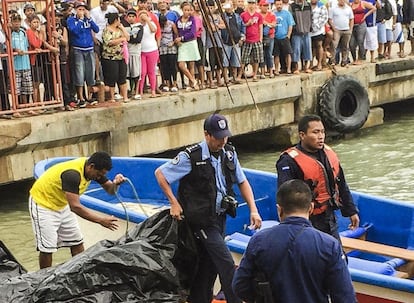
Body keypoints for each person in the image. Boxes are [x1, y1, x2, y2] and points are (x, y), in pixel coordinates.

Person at [155, 113, 262, 303]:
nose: (222, 141)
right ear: (207, 135)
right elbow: (161, 174)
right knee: (226, 262)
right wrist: (174, 202)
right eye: (218, 137)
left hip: (220, 218)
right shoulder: (191, 156)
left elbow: (242, 181)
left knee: (208, 266)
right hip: (201, 220)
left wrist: (253, 209)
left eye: (225, 136)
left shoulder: (229, 153)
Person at [232, 179, 357, 303]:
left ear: (279, 209)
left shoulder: (259, 241)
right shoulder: (330, 245)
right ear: (311, 208)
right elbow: (345, 297)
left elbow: (240, 286)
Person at [29, 151, 125, 269]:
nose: (99, 177)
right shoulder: (72, 174)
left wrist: (116, 183)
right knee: (48, 248)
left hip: (62, 204)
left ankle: (79, 271)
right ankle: (42, 278)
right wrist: (101, 220)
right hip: (44, 205)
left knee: (77, 241)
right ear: (91, 166)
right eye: (99, 174)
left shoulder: (92, 170)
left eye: (102, 175)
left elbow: (110, 190)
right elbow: (75, 207)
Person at [276, 114, 360, 241]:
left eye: (322, 132)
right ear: (302, 135)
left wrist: (351, 211)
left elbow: (341, 184)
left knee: (337, 255)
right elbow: (286, 196)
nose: (321, 136)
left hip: (329, 218)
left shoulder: (328, 154)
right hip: (306, 221)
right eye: (315, 132)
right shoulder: (288, 161)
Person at [67, 2, 99, 107]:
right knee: (79, 74)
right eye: (80, 9)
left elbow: (96, 29)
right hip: (78, 49)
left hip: (89, 49)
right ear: (76, 10)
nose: (82, 11)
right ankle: (80, 97)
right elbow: (74, 31)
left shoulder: (88, 19)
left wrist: (89, 19)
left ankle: (89, 96)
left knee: (90, 73)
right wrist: (80, 20)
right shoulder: (71, 20)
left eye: (83, 9)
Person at [101, 12, 130, 102]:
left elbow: (128, 38)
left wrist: (122, 28)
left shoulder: (120, 29)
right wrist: (121, 39)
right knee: (112, 77)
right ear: (115, 20)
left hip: (121, 57)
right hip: (110, 57)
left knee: (122, 76)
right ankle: (112, 97)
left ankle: (125, 96)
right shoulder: (107, 30)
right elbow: (109, 42)